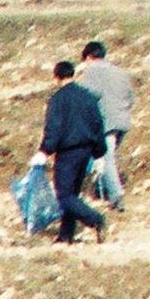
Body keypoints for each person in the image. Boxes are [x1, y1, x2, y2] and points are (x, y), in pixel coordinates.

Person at [36, 58, 108, 244]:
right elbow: (98, 125)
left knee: (63, 195)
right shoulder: (88, 97)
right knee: (72, 194)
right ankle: (66, 235)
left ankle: (95, 220)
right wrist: (100, 153)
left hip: (67, 153)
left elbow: (54, 128)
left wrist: (44, 151)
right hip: (86, 151)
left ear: (57, 78)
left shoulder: (57, 100)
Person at [77, 39, 135, 213]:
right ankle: (102, 191)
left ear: (88, 57)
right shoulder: (120, 72)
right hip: (123, 120)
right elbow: (131, 98)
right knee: (104, 158)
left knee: (106, 159)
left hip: (106, 121)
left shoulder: (92, 70)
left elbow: (88, 95)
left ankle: (116, 198)